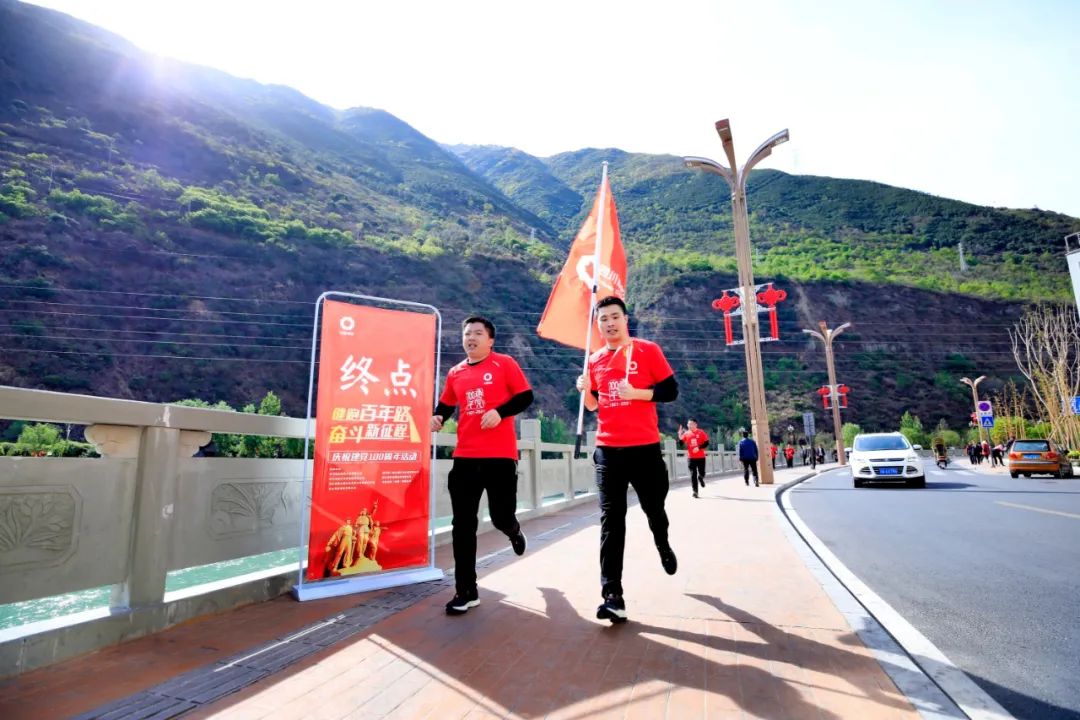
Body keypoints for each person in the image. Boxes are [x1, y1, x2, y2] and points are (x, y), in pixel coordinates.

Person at [575, 296, 679, 624]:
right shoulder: (594, 360)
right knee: (611, 519)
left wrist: (637, 394)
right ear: (598, 325)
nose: (609, 323)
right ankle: (612, 595)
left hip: (645, 448)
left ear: (625, 319)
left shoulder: (647, 350)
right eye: (603, 319)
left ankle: (662, 543)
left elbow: (671, 391)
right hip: (608, 450)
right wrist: (585, 389)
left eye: (614, 316)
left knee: (654, 510)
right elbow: (594, 406)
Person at [431, 316, 533, 615]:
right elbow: (447, 403)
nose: (471, 338)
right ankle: (466, 591)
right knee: (462, 525)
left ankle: (513, 529)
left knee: (501, 516)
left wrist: (500, 412)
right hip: (465, 457)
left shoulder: (504, 363)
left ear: (490, 340)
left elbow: (525, 396)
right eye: (467, 333)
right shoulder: (456, 372)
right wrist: (439, 417)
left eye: (478, 333)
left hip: (500, 457)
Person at [677, 419, 709, 498]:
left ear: (695, 424)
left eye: (691, 424)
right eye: (688, 424)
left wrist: (698, 448)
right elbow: (680, 444)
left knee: (702, 473)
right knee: (693, 474)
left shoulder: (701, 432)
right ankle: (695, 492)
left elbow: (706, 443)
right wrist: (680, 436)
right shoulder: (686, 433)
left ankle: (700, 477)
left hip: (701, 457)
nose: (689, 425)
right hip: (691, 458)